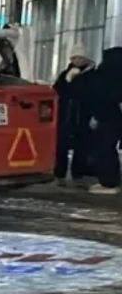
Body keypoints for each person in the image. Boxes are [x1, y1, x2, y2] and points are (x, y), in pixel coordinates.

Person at [85, 45, 122, 196]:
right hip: (112, 118)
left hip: (105, 118)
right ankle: (109, 180)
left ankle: (108, 182)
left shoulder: (104, 75)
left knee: (104, 150)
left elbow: (97, 95)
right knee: (107, 150)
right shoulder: (115, 76)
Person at [53, 51, 95, 185]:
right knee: (62, 145)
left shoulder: (91, 75)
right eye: (74, 57)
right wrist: (67, 81)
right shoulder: (66, 74)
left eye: (79, 57)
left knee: (81, 145)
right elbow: (57, 91)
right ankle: (60, 172)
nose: (76, 60)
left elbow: (89, 94)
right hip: (66, 114)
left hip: (82, 114)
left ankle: (78, 173)